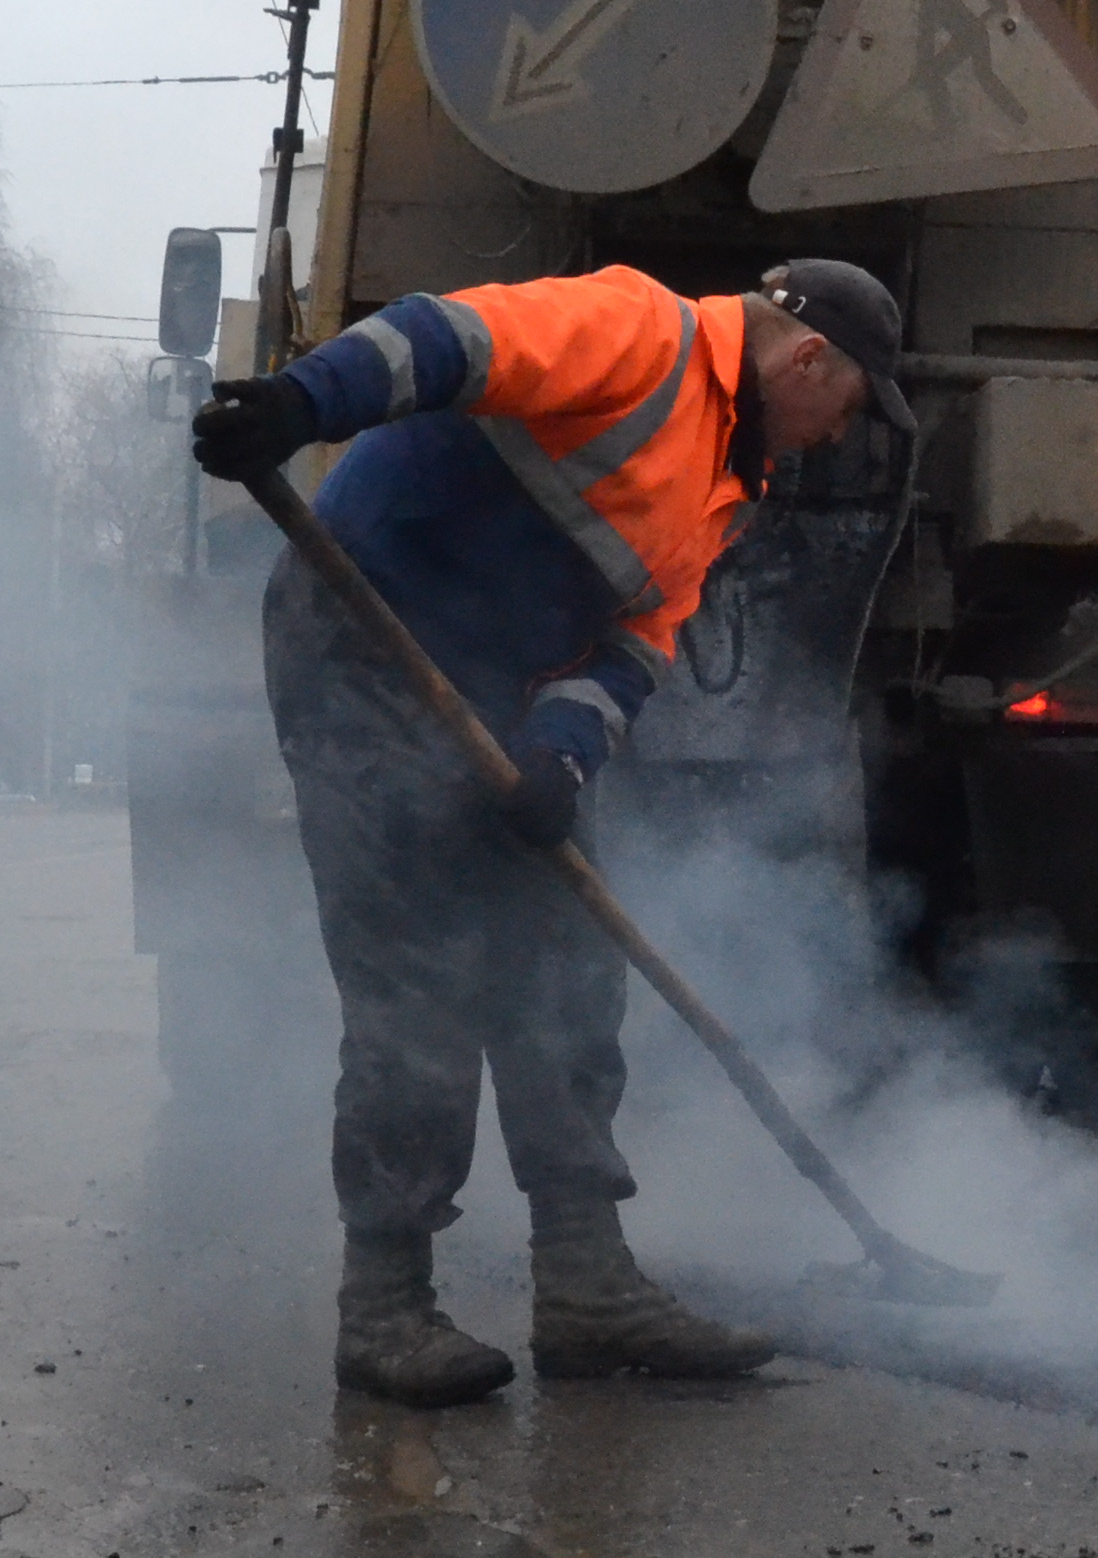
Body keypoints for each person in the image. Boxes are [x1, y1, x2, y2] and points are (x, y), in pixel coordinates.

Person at [189, 258, 901, 1404]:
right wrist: (301, 404)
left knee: (569, 974)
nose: (837, 435)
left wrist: (563, 752)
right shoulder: (641, 333)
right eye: (852, 405)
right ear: (810, 359)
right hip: (362, 646)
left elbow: (640, 643)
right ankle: (384, 1307)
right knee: (416, 983)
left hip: (502, 693)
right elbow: (442, 334)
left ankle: (587, 1287)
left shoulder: (728, 478)